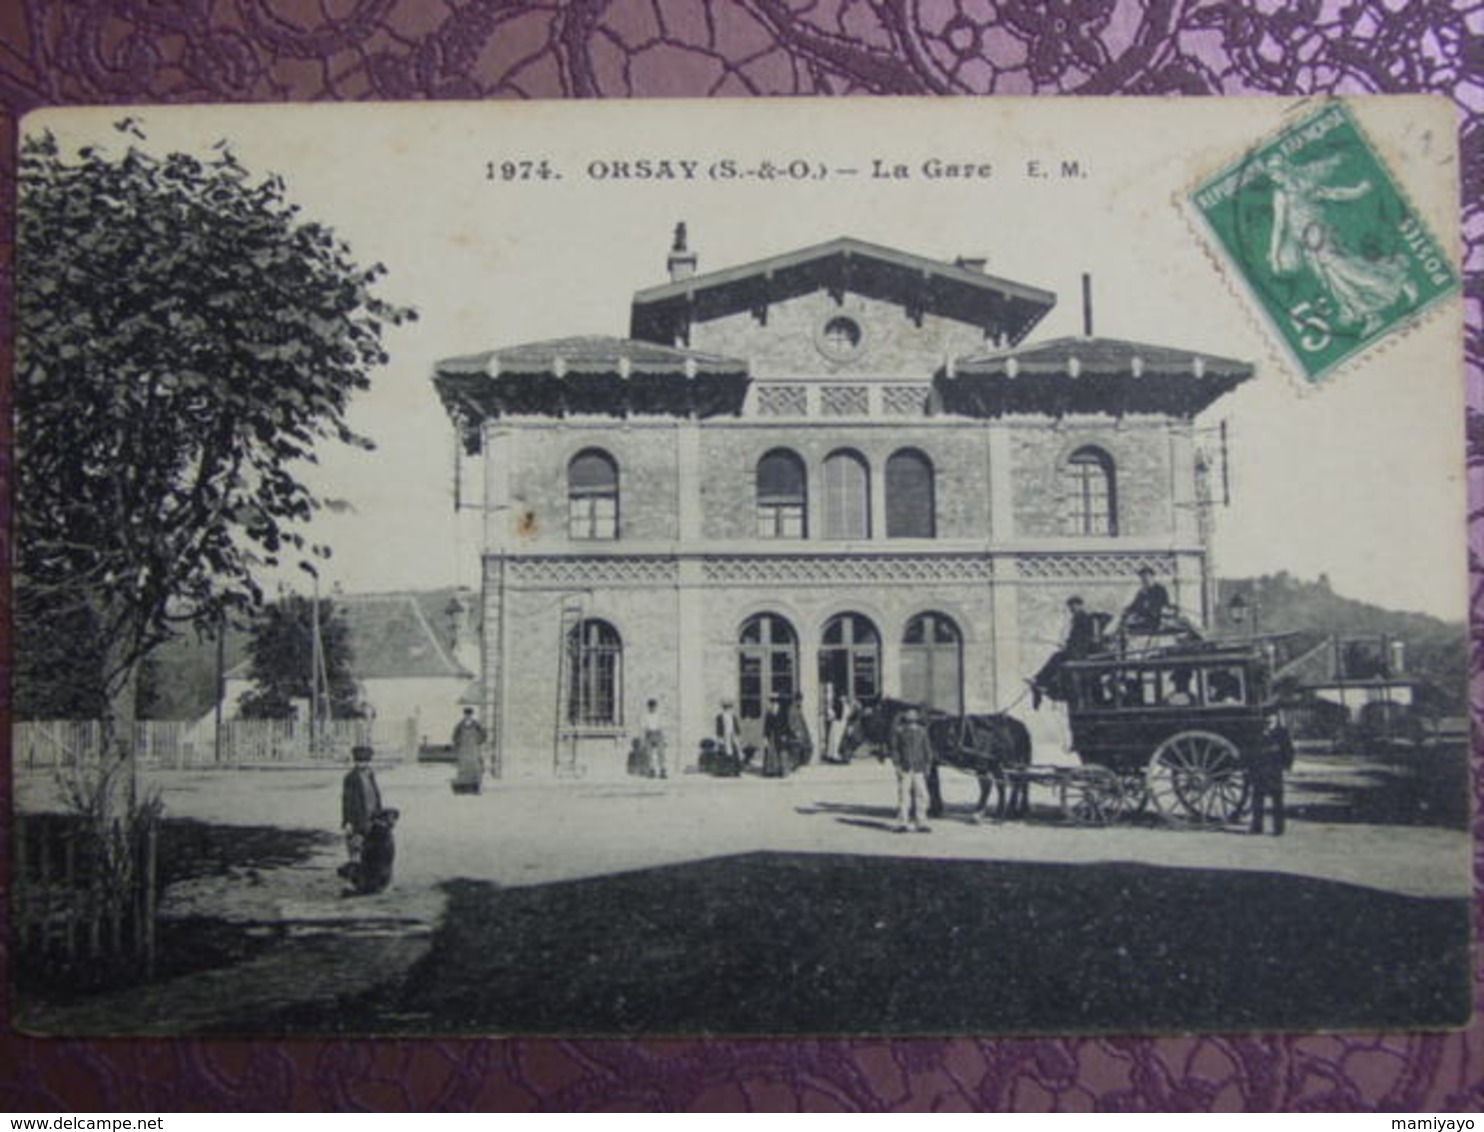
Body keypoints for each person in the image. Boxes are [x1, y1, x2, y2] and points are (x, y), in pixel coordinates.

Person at [1030, 595, 1111, 709]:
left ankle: (1040, 680)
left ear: (1080, 605)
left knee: (1056, 657)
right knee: (1057, 657)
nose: (1072, 609)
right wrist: (1068, 645)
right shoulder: (1081, 618)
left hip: (1079, 653)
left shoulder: (1081, 618)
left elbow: (1080, 639)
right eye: (1070, 606)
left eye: (1074, 606)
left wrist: (1068, 647)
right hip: (1078, 651)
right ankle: (1041, 681)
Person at [340, 744, 392, 893]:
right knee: (355, 852)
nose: (362, 764)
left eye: (365, 761)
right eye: (359, 761)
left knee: (372, 852)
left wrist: (381, 816)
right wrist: (347, 821)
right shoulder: (350, 778)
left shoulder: (371, 775)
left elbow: (376, 797)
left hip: (372, 820)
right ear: (354, 761)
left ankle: (371, 882)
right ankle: (350, 883)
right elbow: (346, 801)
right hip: (357, 819)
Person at [890, 705, 934, 833]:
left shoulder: (922, 731)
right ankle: (902, 822)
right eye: (909, 716)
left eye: (913, 716)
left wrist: (928, 765)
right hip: (905, 768)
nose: (911, 718)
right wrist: (897, 765)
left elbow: (927, 750)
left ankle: (921, 821)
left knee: (922, 795)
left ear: (917, 718)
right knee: (903, 795)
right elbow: (895, 750)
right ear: (905, 718)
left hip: (919, 768)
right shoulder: (899, 731)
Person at [1248, 719, 1295, 836]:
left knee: (1277, 800)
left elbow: (1289, 750)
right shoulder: (1256, 731)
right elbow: (1250, 751)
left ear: (1275, 719)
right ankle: (1257, 827)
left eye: (1271, 719)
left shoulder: (1282, 733)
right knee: (1257, 799)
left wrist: (1287, 765)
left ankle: (1279, 828)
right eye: (1266, 719)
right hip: (1259, 770)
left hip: (1275, 770)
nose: (1268, 721)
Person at [450, 706, 486, 795]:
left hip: (474, 750)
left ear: (472, 715)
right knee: (463, 769)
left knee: (474, 768)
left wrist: (478, 741)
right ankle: (463, 789)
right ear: (464, 715)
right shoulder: (460, 725)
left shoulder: (476, 724)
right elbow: (454, 736)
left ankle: (475, 788)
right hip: (464, 751)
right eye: (466, 715)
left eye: (469, 715)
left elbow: (484, 735)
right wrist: (458, 744)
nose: (468, 716)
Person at [762, 693, 788, 778]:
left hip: (780, 734)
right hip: (771, 734)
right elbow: (766, 725)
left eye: (775, 700)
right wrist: (765, 736)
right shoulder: (769, 711)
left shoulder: (783, 711)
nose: (774, 702)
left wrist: (784, 734)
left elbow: (785, 723)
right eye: (772, 700)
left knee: (781, 752)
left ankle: (782, 770)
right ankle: (770, 771)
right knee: (770, 752)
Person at [715, 698, 742, 774]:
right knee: (724, 753)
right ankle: (724, 771)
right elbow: (718, 728)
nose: (727, 709)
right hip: (724, 737)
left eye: (729, 707)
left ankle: (736, 771)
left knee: (735, 753)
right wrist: (719, 737)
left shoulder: (733, 717)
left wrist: (737, 736)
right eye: (726, 707)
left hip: (732, 736)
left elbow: (736, 727)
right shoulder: (720, 717)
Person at [642, 697, 667, 779]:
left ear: (656, 707)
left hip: (658, 733)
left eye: (653, 706)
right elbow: (644, 726)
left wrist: (663, 737)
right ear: (648, 707)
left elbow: (662, 726)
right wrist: (647, 733)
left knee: (661, 753)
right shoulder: (646, 716)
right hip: (649, 734)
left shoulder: (659, 715)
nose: (652, 708)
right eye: (650, 706)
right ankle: (651, 770)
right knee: (649, 754)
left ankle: (662, 770)